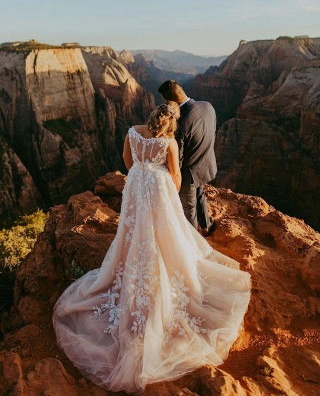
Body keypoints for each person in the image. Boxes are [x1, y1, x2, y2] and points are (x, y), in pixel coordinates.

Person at [53, 101, 251, 394]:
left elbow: (126, 160)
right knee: (163, 231)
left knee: (132, 231)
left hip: (135, 185)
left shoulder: (132, 132)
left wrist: (139, 175)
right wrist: (162, 186)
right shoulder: (169, 142)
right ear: (170, 123)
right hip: (157, 187)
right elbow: (176, 175)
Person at [158, 80, 217, 236]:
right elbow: (212, 133)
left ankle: (193, 242)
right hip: (206, 164)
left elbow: (178, 156)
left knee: (188, 209)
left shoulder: (181, 121)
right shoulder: (208, 106)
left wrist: (173, 178)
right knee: (200, 193)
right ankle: (206, 225)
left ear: (168, 100)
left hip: (189, 173)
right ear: (181, 89)